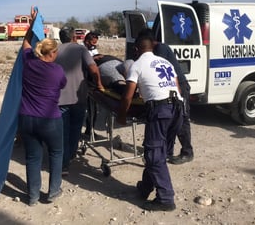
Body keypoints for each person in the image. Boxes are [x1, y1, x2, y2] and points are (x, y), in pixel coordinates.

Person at [117, 34, 183, 211]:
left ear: (137, 49)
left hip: (161, 110)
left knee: (154, 155)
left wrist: (121, 116)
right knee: (158, 152)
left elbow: (127, 96)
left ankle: (166, 198)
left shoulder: (137, 65)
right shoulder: (165, 62)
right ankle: (145, 187)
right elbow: (176, 86)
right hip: (178, 109)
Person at [18, 6, 67, 206]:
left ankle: (32, 197)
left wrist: (32, 23)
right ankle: (53, 191)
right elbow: (62, 86)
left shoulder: (29, 61)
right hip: (50, 120)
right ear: (53, 53)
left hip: (27, 119)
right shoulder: (57, 71)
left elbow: (26, 42)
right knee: (56, 154)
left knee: (32, 158)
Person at [137, 28, 194, 165]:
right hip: (172, 87)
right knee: (171, 121)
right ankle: (167, 152)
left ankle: (187, 152)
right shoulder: (157, 50)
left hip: (178, 86)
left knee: (181, 121)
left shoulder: (161, 49)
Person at [55, 27, 104, 175]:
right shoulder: (81, 50)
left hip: (59, 99)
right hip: (78, 98)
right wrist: (99, 84)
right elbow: (94, 70)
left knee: (63, 132)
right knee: (75, 129)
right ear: (74, 37)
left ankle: (63, 165)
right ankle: (69, 157)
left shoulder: (54, 51)